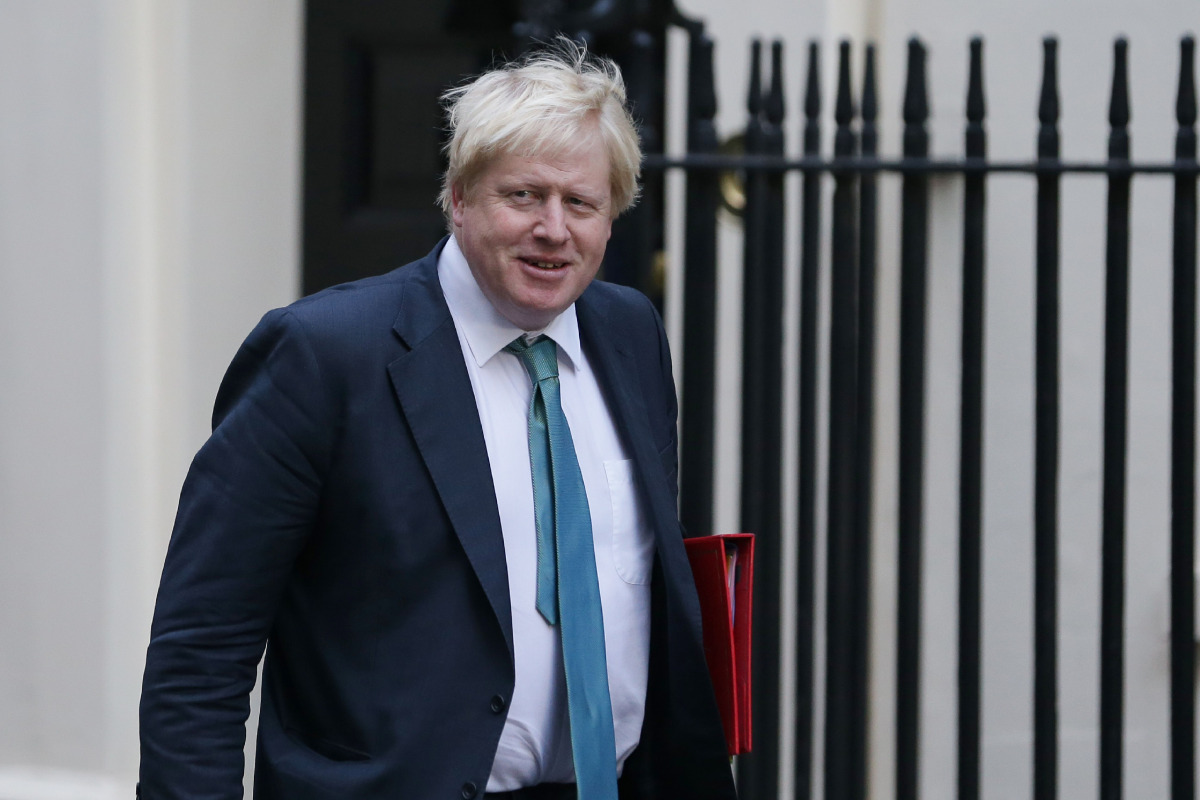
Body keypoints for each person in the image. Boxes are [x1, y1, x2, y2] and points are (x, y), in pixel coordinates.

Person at [138, 40, 736, 800]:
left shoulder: (630, 334)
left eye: (581, 203)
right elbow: (202, 647)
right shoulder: (325, 355)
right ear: (458, 198)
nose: (554, 229)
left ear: (611, 218)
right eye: (522, 196)